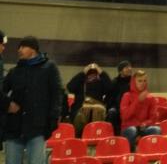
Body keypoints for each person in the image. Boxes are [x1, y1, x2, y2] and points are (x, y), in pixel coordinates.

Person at [2, 36, 63, 164]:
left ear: (33, 49)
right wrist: (7, 104)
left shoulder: (49, 68)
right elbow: (1, 91)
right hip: (14, 129)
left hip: (37, 128)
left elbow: (57, 94)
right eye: (19, 47)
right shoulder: (15, 71)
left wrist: (53, 118)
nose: (19, 50)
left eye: (23, 47)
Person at [120, 69, 161, 151]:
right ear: (134, 82)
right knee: (132, 130)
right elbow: (124, 116)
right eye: (140, 81)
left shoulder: (151, 98)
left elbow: (153, 118)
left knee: (156, 129)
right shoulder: (126, 96)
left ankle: (150, 156)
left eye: (145, 81)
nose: (143, 83)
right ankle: (131, 155)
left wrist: (145, 124)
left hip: (143, 128)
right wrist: (138, 101)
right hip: (128, 127)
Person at [67, 62, 112, 135]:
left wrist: (102, 73)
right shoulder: (81, 81)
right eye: (90, 71)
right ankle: (80, 136)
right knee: (80, 115)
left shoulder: (100, 82)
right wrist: (82, 73)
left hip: (97, 109)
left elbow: (110, 88)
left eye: (95, 72)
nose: (92, 74)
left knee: (96, 111)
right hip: (80, 107)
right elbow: (70, 87)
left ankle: (95, 134)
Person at [106, 60, 133, 134]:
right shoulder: (115, 82)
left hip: (130, 107)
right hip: (117, 107)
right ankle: (112, 135)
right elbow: (109, 98)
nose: (129, 69)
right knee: (112, 112)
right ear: (120, 71)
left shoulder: (134, 81)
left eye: (130, 67)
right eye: (126, 67)